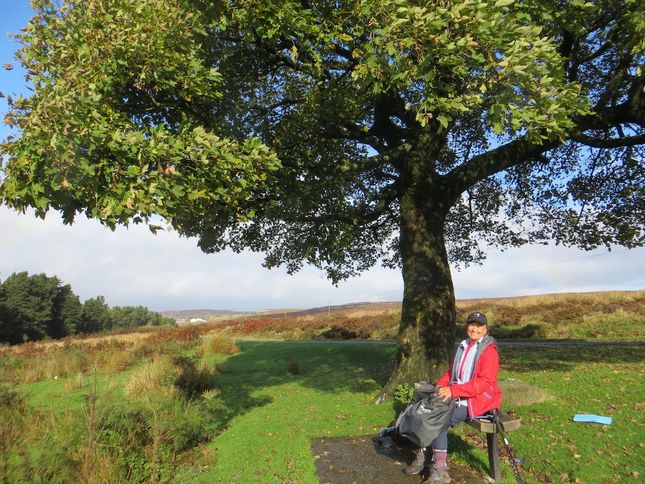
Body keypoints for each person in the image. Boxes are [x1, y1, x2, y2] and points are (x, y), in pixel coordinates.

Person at [404, 311, 502, 483]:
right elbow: (450, 373)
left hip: (478, 399)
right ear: (467, 327)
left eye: (479, 326)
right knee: (426, 413)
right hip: (458, 395)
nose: (474, 328)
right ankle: (425, 456)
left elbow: (485, 383)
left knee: (439, 421)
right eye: (472, 324)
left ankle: (441, 471)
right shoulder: (462, 346)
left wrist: (454, 391)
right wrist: (441, 385)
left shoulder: (489, 352)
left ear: (485, 329)